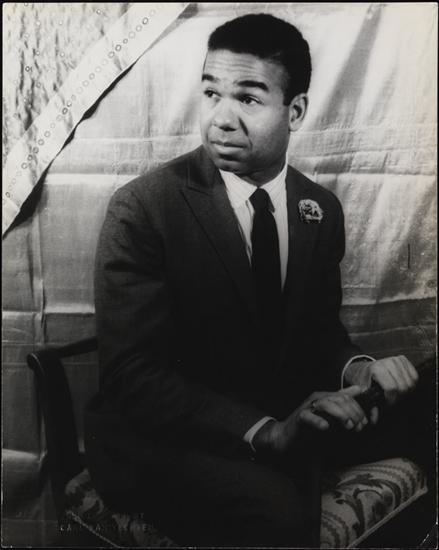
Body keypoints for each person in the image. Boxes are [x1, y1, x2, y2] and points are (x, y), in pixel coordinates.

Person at [84, 13, 433, 547]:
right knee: (280, 513)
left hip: (284, 412)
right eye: (211, 93)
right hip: (169, 438)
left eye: (247, 98)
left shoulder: (320, 208)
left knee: (431, 396)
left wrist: (359, 370)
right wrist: (267, 431)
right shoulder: (143, 208)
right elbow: (134, 377)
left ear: (296, 111)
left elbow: (317, 333)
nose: (221, 119)